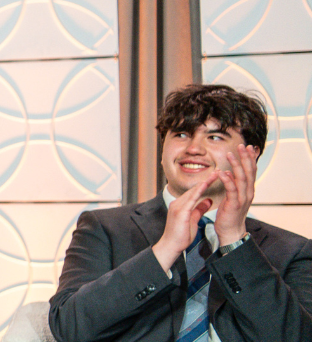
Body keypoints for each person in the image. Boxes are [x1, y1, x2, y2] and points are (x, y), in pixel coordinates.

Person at [49, 83, 312, 341]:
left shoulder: (293, 251)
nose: (193, 148)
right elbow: (70, 328)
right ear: (163, 151)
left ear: (250, 156)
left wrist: (234, 241)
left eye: (215, 137)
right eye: (181, 134)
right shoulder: (104, 228)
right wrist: (164, 250)